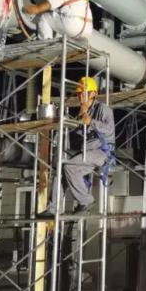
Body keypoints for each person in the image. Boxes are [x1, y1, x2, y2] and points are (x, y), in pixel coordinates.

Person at [41, 76, 115, 215]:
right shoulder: (85, 110)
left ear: (93, 94)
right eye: (79, 94)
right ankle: (53, 208)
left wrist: (91, 121)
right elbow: (81, 133)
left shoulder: (103, 109)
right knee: (61, 169)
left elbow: (109, 129)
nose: (80, 97)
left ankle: (86, 201)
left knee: (70, 167)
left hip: (101, 152)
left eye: (83, 93)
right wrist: (78, 120)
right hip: (87, 152)